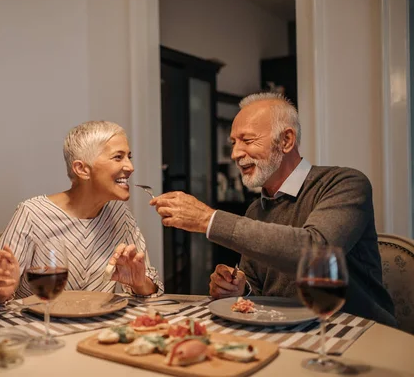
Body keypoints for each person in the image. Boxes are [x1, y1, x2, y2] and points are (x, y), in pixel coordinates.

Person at [150, 92, 396, 326]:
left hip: (356, 331)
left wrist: (209, 219)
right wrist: (239, 288)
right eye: (234, 142)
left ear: (286, 140)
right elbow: (256, 288)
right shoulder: (257, 209)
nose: (235, 154)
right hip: (287, 332)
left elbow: (314, 251)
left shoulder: (345, 183)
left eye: (247, 140)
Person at [0, 121, 163, 306]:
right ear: (82, 169)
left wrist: (140, 283)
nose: (130, 167)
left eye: (129, 156)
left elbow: (150, 288)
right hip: (40, 330)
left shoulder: (120, 215)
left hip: (98, 331)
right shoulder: (32, 214)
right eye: (118, 157)